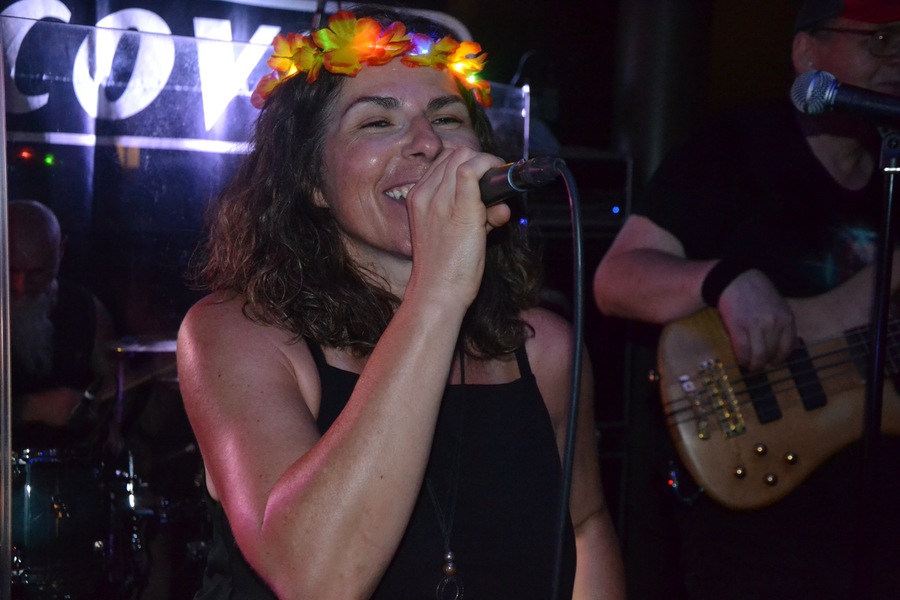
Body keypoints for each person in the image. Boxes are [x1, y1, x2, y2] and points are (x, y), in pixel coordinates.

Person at [177, 6, 625, 600]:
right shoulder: (238, 334)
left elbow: (586, 526)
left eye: (446, 117)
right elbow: (317, 579)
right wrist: (437, 293)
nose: (428, 143)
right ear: (311, 179)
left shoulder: (545, 351)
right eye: (376, 122)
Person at [593, 0, 900, 599]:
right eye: (880, 40)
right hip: (759, 505)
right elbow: (617, 278)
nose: (897, 60)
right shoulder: (736, 147)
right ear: (806, 52)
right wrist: (723, 281)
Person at [9, 199, 118, 448]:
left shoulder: (87, 309)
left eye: (36, 272)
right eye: (11, 270)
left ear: (60, 252)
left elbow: (113, 385)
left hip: (70, 463)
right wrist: (32, 408)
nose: (20, 286)